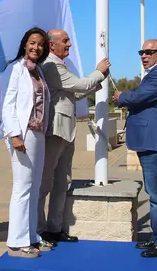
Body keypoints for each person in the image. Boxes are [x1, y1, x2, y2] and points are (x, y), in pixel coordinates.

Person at [38, 29, 110, 244]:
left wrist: (97, 81)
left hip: (66, 131)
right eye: (65, 41)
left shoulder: (60, 65)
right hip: (54, 132)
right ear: (52, 45)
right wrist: (98, 73)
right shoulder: (51, 65)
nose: (69, 44)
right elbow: (79, 85)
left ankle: (55, 228)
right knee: (44, 184)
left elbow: (75, 92)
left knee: (63, 182)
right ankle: (39, 230)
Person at [113, 39, 157, 258]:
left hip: (156, 143)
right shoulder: (156, 74)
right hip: (151, 142)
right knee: (156, 192)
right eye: (141, 52)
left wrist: (122, 97)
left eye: (149, 52)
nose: (144, 55)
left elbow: (140, 97)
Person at [1, 27, 54, 258]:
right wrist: (14, 134)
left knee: (34, 187)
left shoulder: (38, 71)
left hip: (38, 134)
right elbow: (8, 104)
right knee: (22, 187)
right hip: (22, 134)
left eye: (41, 44)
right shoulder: (16, 70)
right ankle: (16, 241)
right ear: (25, 44)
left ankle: (31, 235)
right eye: (32, 43)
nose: (36, 47)